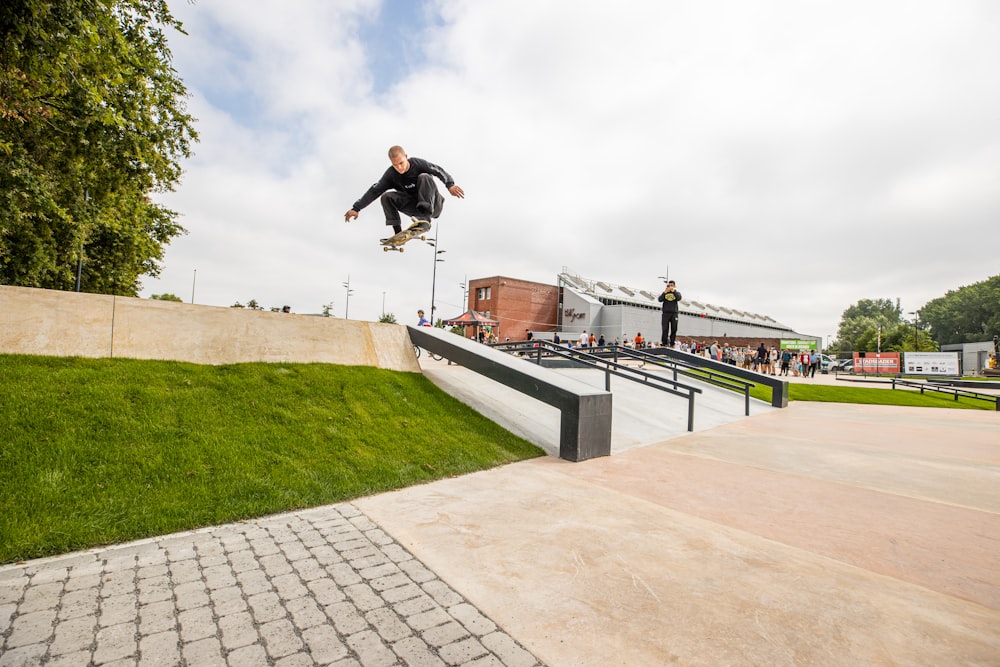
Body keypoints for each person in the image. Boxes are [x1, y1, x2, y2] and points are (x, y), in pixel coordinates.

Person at [344, 145, 464, 236]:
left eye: (401, 163)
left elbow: (437, 170)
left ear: (406, 157)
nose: (399, 168)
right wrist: (356, 208)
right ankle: (398, 234)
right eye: (395, 165)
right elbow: (375, 191)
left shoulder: (418, 163)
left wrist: (450, 185)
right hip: (414, 206)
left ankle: (425, 220)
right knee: (386, 196)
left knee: (424, 177)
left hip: (433, 205)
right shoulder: (391, 174)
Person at [657, 280, 682, 346]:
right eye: (669, 285)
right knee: (665, 328)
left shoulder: (677, 293)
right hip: (666, 313)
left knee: (674, 328)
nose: (670, 287)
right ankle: (664, 342)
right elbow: (659, 299)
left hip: (674, 313)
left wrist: (674, 291)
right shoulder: (665, 293)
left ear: (674, 286)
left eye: (672, 286)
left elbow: (679, 298)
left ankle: (672, 342)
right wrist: (665, 292)